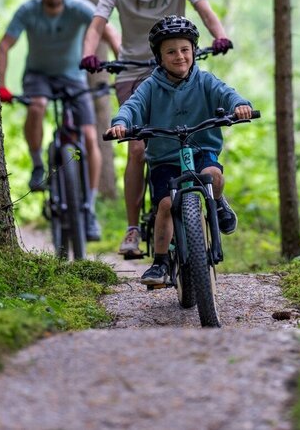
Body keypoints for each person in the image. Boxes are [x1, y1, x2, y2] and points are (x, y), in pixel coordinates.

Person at [79, 0, 233, 259]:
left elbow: (203, 9)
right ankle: (133, 228)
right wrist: (88, 54)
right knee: (137, 149)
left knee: (189, 133)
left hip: (175, 65)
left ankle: (204, 200)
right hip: (134, 70)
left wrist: (219, 34)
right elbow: (98, 22)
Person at [105, 15, 252, 286]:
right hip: (164, 159)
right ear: (159, 57)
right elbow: (132, 106)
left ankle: (217, 203)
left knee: (213, 176)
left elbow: (226, 93)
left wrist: (239, 105)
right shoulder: (150, 86)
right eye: (171, 52)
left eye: (185, 50)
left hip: (200, 149)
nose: (179, 57)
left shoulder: (205, 81)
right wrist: (121, 123)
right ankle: (160, 262)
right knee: (164, 205)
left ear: (194, 51)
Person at [0, 0, 120, 241]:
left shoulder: (78, 8)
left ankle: (88, 208)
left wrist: (120, 68)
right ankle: (38, 164)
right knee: (38, 106)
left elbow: (108, 32)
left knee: (90, 135)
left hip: (73, 77)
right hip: (38, 76)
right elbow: (4, 46)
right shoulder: (28, 11)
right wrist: (0, 85)